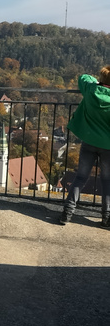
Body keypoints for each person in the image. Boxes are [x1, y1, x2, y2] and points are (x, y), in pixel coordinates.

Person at [62, 67, 110, 225]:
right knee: (107, 181)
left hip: (89, 140)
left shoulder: (90, 90)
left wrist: (96, 82)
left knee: (80, 177)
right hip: (108, 146)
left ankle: (67, 212)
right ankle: (106, 217)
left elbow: (83, 77)